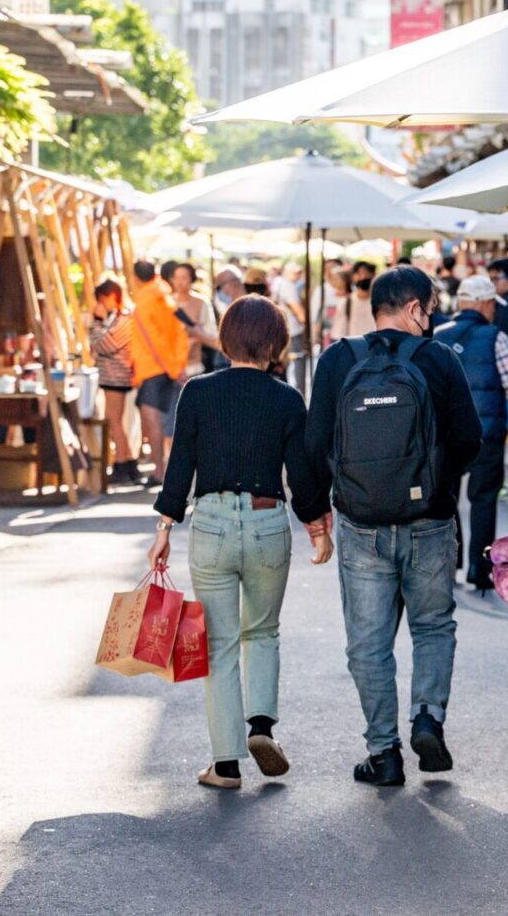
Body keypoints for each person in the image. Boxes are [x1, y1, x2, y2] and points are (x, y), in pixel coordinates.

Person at [308, 266, 482, 787]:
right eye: (430, 309)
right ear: (413, 309)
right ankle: (427, 716)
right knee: (432, 626)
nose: (432, 319)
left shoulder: (339, 359)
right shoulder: (437, 359)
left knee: (368, 641)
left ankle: (383, 753)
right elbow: (470, 438)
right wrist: (436, 487)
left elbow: (315, 440)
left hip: (361, 525)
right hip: (429, 522)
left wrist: (326, 501)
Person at [147, 295, 328, 789]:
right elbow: (302, 473)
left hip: (211, 525)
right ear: (276, 344)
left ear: (225, 340)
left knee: (220, 645)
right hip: (269, 523)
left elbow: (179, 467)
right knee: (263, 633)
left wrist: (164, 529)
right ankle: (262, 727)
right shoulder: (287, 398)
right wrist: (316, 524)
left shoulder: (198, 393)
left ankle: (225, 765)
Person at [434, 275, 508, 591]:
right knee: (483, 499)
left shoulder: (438, 336)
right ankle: (480, 567)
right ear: (486, 303)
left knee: (447, 497)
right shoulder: (496, 337)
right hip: (486, 434)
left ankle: (452, 563)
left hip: (445, 435)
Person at [129, 259, 190, 486]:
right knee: (164, 421)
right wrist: (178, 365)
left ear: (135, 278)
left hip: (154, 367)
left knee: (153, 419)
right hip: (164, 366)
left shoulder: (146, 300)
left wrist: (174, 369)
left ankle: (159, 472)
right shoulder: (164, 297)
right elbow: (180, 332)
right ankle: (162, 470)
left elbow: (153, 339)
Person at [89, 277, 141, 485]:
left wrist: (96, 323)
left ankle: (122, 463)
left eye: (103, 299)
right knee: (116, 421)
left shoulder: (124, 319)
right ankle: (128, 463)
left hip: (117, 376)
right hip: (113, 376)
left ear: (112, 296)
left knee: (114, 421)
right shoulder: (117, 317)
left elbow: (105, 345)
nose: (102, 304)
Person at [167, 262, 221, 379]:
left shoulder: (201, 302)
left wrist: (195, 338)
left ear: (192, 279)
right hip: (170, 366)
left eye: (184, 277)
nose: (179, 282)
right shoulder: (166, 303)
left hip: (195, 366)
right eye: (176, 278)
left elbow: (211, 334)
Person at [272, 261, 310, 391]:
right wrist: (306, 326)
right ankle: (299, 391)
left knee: (285, 364)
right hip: (293, 330)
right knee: (298, 362)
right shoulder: (288, 286)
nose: (298, 275)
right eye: (296, 273)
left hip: (284, 329)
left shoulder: (279, 283)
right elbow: (298, 310)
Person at [318, 265, 352, 343]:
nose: (334, 281)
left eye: (337, 278)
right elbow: (323, 318)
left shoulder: (351, 299)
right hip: (329, 336)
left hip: (346, 336)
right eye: (333, 279)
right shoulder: (328, 297)